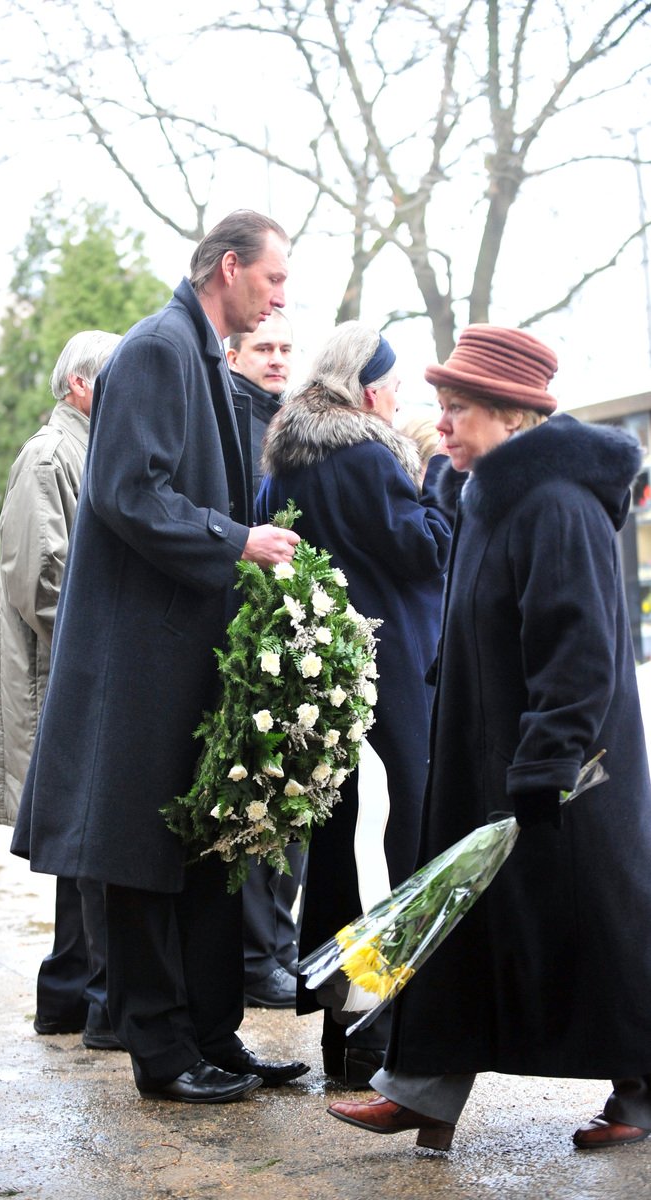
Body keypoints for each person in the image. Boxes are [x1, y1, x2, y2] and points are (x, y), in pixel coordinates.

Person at [327, 324, 651, 1151]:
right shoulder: (490, 494)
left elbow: (581, 649)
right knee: (464, 924)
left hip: (563, 775)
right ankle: (423, 1091)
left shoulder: (559, 504)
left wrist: (546, 761)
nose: (441, 425)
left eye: (459, 409)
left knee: (599, 936)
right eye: (440, 406)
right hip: (491, 762)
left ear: (512, 417)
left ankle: (642, 1094)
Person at [12, 210, 309, 1104]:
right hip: (143, 661)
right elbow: (124, 492)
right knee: (143, 861)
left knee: (207, 852)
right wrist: (235, 540)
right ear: (228, 267)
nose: (282, 296)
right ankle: (161, 1055)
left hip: (185, 657)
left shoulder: (198, 350)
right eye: (274, 279)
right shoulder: (154, 348)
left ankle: (214, 1039)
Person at [257, 321, 453, 1086]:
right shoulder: (372, 458)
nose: (400, 397)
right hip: (392, 672)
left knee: (341, 849)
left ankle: (345, 1033)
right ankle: (383, 1026)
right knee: (396, 846)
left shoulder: (283, 466)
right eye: (395, 384)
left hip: (321, 681)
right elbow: (426, 548)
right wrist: (433, 478)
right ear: (369, 389)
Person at [0, 330, 122, 1051]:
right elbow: (42, 580)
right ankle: (90, 1001)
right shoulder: (49, 456)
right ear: (79, 386)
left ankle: (69, 996)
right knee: (87, 845)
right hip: (57, 676)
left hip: (72, 670)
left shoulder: (86, 448)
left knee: (81, 852)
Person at [226, 310, 306, 1009]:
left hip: (294, 639)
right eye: (264, 347)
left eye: (286, 348)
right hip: (245, 642)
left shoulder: (291, 427)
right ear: (233, 354)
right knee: (258, 797)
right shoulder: (232, 425)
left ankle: (280, 946)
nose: (277, 358)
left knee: (296, 794)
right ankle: (258, 956)